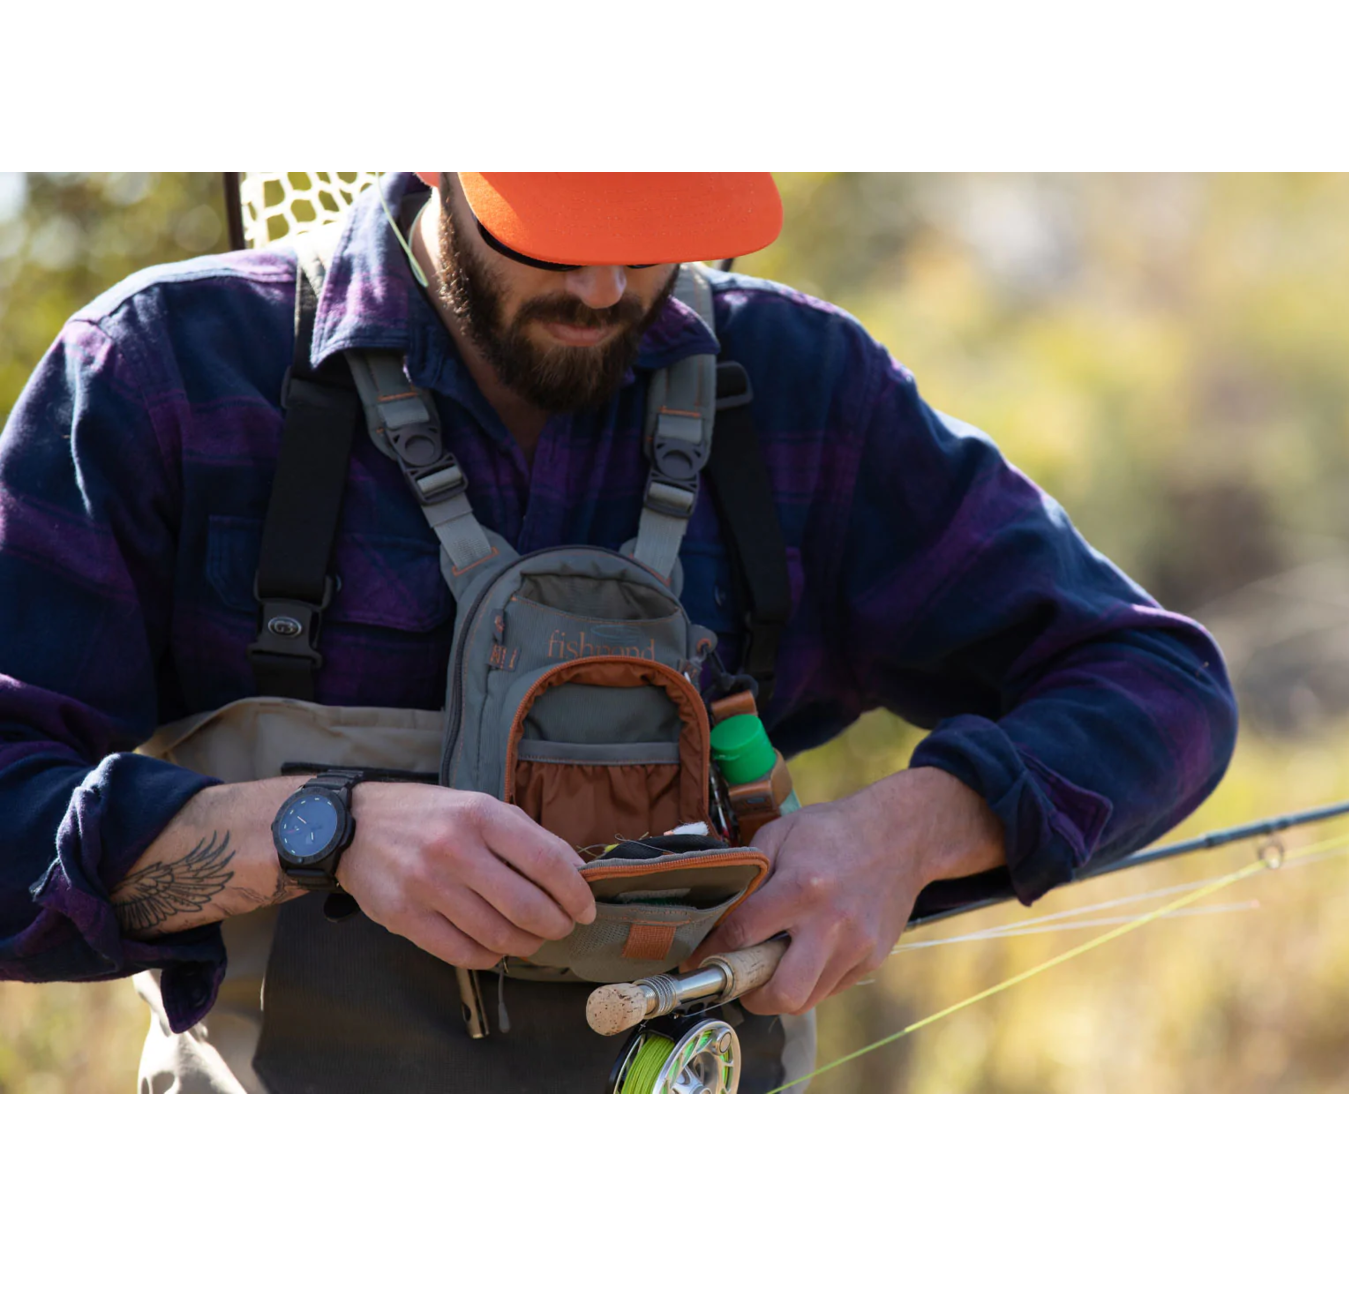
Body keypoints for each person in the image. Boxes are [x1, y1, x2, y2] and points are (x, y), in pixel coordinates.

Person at [0, 171, 1238, 1093]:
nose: (606, 289)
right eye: (563, 230)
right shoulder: (164, 374)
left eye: (652, 230)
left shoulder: (808, 392)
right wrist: (321, 828)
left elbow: (1157, 682)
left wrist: (908, 830)